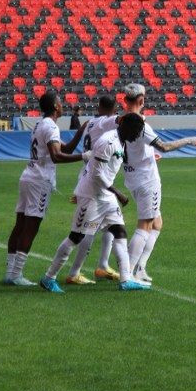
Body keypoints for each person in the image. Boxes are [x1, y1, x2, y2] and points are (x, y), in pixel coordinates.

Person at [40, 121, 148, 293]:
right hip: (91, 196)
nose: (137, 137)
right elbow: (96, 173)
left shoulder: (120, 140)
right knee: (75, 237)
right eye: (137, 133)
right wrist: (117, 192)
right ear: (128, 130)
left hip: (105, 196)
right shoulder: (108, 141)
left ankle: (126, 279)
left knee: (119, 232)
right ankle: (48, 277)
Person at [3, 91, 90, 286]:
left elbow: (64, 149)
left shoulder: (40, 124)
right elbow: (57, 156)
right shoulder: (51, 127)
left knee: (20, 225)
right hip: (39, 181)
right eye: (60, 101)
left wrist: (79, 133)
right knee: (30, 228)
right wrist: (84, 157)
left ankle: (10, 273)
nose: (62, 104)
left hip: (28, 176)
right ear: (55, 106)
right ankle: (16, 275)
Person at [120, 84, 196, 284]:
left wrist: (147, 156)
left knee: (157, 223)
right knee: (145, 225)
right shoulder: (141, 125)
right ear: (140, 100)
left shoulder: (119, 121)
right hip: (146, 180)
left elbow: (129, 149)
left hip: (132, 175)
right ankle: (128, 273)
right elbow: (164, 146)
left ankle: (140, 268)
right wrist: (189, 140)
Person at [64, 96, 123, 285]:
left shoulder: (89, 122)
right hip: (96, 180)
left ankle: (103, 265)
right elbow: (124, 120)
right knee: (88, 228)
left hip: (90, 174)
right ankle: (74, 272)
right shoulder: (107, 121)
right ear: (114, 108)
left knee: (111, 223)